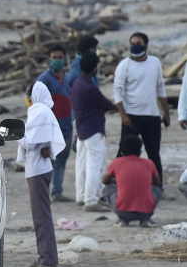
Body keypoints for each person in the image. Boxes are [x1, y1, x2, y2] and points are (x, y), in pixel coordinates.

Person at [16, 82, 66, 267]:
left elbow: (29, 142)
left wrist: (17, 134)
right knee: (41, 215)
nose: (27, 100)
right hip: (39, 168)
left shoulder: (39, 111)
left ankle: (48, 259)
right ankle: (45, 256)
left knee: (41, 216)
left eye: (28, 95)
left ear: (34, 95)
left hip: (37, 169)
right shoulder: (43, 111)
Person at [113, 32, 169, 181]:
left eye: (138, 43)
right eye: (132, 44)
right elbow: (117, 91)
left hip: (152, 116)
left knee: (154, 154)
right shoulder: (124, 65)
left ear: (146, 45)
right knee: (124, 152)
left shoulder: (155, 62)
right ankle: (117, 182)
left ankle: (158, 186)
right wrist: (123, 115)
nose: (135, 46)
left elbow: (160, 88)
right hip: (131, 116)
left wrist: (166, 113)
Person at [71, 52, 114, 211]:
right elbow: (107, 105)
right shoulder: (89, 87)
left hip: (82, 129)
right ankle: (91, 200)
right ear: (94, 68)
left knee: (82, 165)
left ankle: (82, 196)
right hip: (93, 128)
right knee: (95, 166)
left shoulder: (77, 83)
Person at [36, 44, 73, 202]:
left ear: (65, 59)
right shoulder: (44, 79)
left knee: (62, 160)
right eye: (54, 58)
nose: (57, 60)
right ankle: (45, 192)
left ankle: (57, 192)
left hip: (67, 125)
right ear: (49, 60)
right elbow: (35, 102)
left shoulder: (68, 78)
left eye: (60, 58)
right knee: (48, 159)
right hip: (50, 127)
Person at [101, 135, 161, 227]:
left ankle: (122, 220)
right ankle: (145, 220)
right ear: (140, 152)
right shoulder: (149, 163)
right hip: (145, 212)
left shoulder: (117, 162)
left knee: (108, 188)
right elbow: (157, 182)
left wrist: (118, 181)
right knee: (157, 189)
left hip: (123, 212)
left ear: (122, 152)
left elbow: (104, 180)